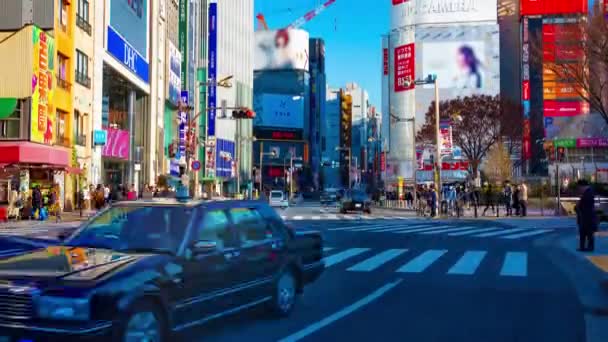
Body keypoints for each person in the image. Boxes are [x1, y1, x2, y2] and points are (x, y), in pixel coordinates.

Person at [575, 180, 598, 251]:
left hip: (587, 216)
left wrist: (578, 206)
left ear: (582, 186)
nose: (579, 189)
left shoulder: (588, 193)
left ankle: (589, 247)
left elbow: (584, 205)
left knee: (588, 232)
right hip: (586, 216)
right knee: (584, 232)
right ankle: (583, 246)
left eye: (579, 187)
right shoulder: (588, 192)